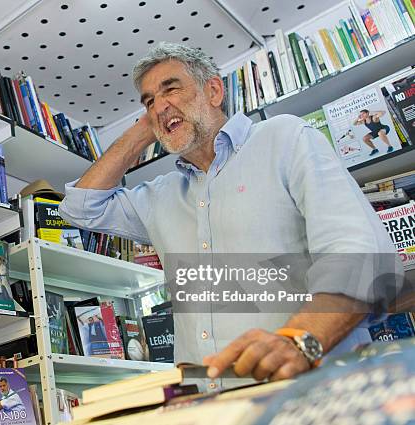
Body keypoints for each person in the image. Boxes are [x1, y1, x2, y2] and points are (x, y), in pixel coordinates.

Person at [58, 42, 403, 385]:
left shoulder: (285, 137)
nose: (159, 106)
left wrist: (298, 342)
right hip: (212, 407)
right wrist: (141, 132)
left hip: (312, 394)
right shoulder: (159, 195)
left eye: (171, 88)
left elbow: (359, 256)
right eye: (148, 100)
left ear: (213, 90)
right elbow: (80, 208)